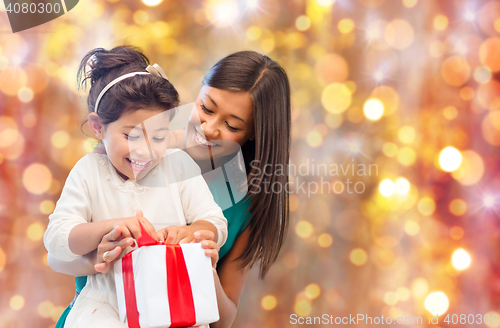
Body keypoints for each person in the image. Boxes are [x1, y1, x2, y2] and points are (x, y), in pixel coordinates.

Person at [49, 50, 291, 328]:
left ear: (253, 132)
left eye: (232, 125)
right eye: (207, 108)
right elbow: (57, 252)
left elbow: (223, 321)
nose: (209, 128)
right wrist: (104, 256)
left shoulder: (241, 203)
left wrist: (202, 263)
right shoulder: (120, 152)